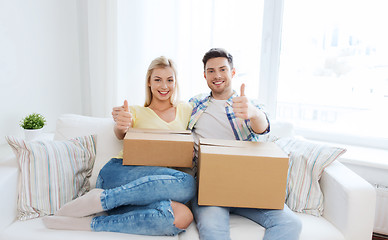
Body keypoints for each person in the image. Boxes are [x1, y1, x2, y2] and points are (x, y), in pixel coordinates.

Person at [43, 56, 196, 236]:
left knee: (182, 216)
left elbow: (208, 103)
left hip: (145, 192)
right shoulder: (134, 111)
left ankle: (92, 221)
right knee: (187, 183)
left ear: (175, 82)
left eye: (170, 80)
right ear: (149, 81)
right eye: (158, 79)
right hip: (119, 174)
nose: (164, 86)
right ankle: (102, 199)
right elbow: (120, 132)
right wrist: (121, 125)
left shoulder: (186, 109)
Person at [188, 48, 302, 240]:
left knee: (291, 223)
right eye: (211, 71)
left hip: (249, 186)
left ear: (232, 72)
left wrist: (253, 112)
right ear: (205, 75)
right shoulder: (194, 105)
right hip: (210, 188)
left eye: (222, 69)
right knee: (214, 231)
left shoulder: (249, 105)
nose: (217, 75)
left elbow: (262, 127)